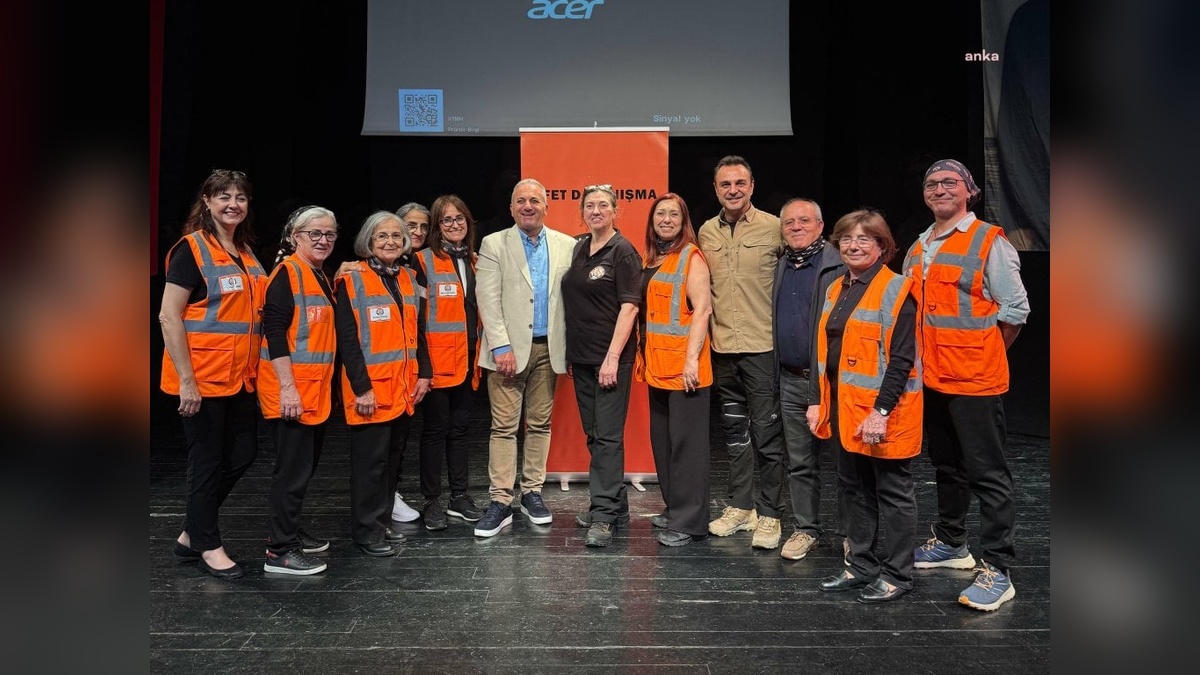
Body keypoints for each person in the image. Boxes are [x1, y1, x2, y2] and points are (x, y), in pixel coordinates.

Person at [904, 159, 1030, 611]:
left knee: (988, 475)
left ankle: (998, 569)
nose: (939, 189)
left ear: (968, 192)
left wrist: (984, 354)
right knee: (947, 466)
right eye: (931, 183)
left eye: (949, 183)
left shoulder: (988, 241)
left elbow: (1014, 310)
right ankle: (953, 543)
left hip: (975, 379)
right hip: (932, 379)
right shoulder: (919, 247)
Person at [808, 209, 922, 604]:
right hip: (844, 407)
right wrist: (816, 400)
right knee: (853, 488)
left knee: (892, 491)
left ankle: (897, 574)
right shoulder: (837, 288)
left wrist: (881, 410)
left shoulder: (896, 289)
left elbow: (902, 360)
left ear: (882, 247)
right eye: (847, 240)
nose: (853, 246)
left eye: (864, 240)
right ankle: (860, 565)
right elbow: (824, 352)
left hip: (884, 412)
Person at [158, 169, 266, 580]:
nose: (233, 204)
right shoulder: (192, 250)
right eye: (223, 196)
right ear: (206, 201)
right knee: (206, 461)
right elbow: (169, 317)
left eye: (240, 197)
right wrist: (187, 381)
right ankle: (208, 544)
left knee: (243, 454)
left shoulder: (246, 251)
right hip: (201, 378)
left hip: (239, 378)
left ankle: (192, 532)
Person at [472, 178, 576, 537]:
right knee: (503, 427)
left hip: (550, 350)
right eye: (521, 201)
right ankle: (500, 500)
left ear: (546, 206)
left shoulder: (566, 244)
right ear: (512, 208)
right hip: (507, 354)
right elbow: (487, 297)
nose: (528, 206)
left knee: (540, 425)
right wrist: (500, 346)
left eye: (534, 200)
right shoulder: (493, 243)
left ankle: (532, 492)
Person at [696, 155, 788, 549]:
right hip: (721, 348)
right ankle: (740, 506)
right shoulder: (706, 231)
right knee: (735, 435)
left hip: (762, 349)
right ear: (716, 189)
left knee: (767, 436)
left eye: (740, 183)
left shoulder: (776, 229)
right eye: (725, 185)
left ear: (752, 185)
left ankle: (769, 514)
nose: (733, 190)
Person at [335, 211, 432, 557]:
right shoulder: (352, 279)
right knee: (369, 465)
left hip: (403, 389)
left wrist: (424, 372)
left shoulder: (407, 277)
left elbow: (417, 333)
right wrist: (361, 388)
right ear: (368, 242)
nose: (390, 242)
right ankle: (366, 532)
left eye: (396, 236)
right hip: (370, 391)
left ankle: (381, 522)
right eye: (382, 237)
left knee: (391, 462)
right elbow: (346, 339)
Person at [257, 205, 341, 575]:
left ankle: (289, 531)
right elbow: (273, 333)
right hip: (291, 393)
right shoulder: (288, 274)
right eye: (314, 234)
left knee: (301, 471)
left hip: (313, 392)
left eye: (329, 234)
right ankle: (280, 551)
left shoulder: (316, 274)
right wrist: (288, 390)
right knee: (291, 473)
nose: (323, 240)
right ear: (296, 238)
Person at [561, 184, 642, 548]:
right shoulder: (579, 247)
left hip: (612, 360)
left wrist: (611, 358)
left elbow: (630, 307)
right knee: (595, 434)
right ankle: (616, 503)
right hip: (581, 357)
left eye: (603, 205)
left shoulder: (623, 251)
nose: (596, 211)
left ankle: (604, 515)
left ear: (615, 211)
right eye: (590, 206)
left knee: (608, 436)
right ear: (583, 212)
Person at [635, 193, 714, 547]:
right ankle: (674, 508)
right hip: (657, 368)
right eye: (660, 214)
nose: (666, 219)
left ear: (684, 221)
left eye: (673, 215)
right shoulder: (652, 258)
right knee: (664, 444)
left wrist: (691, 360)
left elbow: (703, 311)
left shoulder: (690, 257)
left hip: (686, 372)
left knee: (687, 448)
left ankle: (690, 521)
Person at [772, 198, 849, 562]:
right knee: (800, 462)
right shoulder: (783, 263)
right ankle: (806, 528)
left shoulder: (839, 264)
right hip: (791, 380)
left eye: (805, 221)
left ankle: (854, 535)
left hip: (834, 383)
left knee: (846, 463)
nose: (797, 227)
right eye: (789, 223)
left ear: (821, 225)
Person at [413, 195, 484, 530]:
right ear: (436, 227)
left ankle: (459, 495)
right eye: (446, 220)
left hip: (468, 360)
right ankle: (432, 500)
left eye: (460, 219)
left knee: (460, 430)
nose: (455, 225)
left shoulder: (475, 260)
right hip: (436, 363)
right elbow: (414, 320)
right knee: (435, 431)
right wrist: (422, 368)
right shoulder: (421, 262)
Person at [388, 201, 431, 523]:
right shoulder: (380, 263)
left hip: (411, 365)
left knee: (401, 437)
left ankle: (390, 492)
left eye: (422, 227)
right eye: (410, 225)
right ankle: (383, 497)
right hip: (384, 368)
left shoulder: (420, 266)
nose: (416, 232)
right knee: (384, 441)